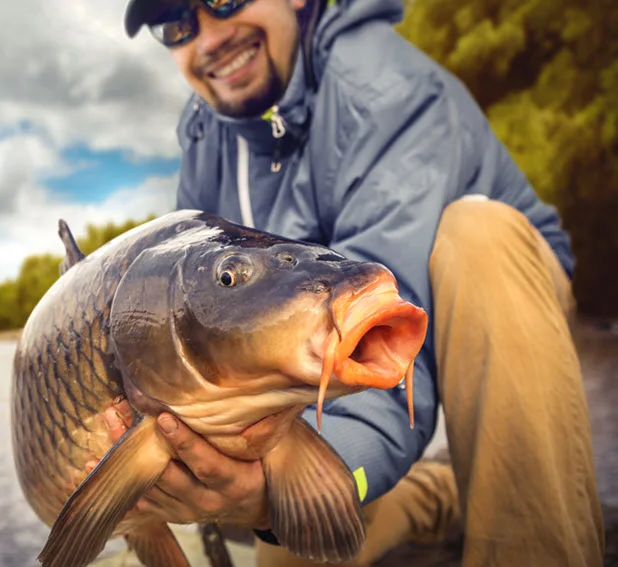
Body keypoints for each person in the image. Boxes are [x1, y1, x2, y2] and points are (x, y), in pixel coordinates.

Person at [105, 0, 606, 565]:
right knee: (300, 535)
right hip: (322, 329)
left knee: (477, 236)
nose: (209, 37)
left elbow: (373, 336)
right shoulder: (204, 133)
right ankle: (434, 497)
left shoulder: (382, 86)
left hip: (495, 302)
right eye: (176, 24)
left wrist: (286, 488)